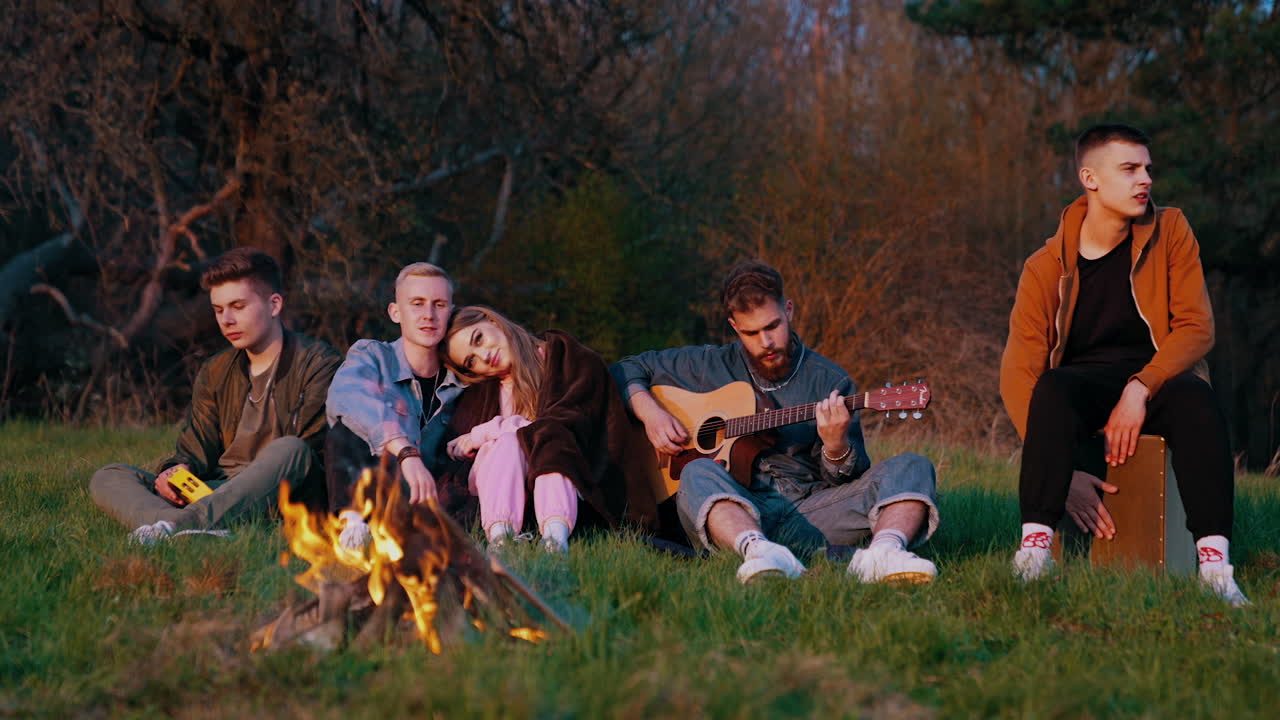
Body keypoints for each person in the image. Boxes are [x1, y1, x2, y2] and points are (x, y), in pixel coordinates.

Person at [1000, 123, 1248, 606]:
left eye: (1148, 169)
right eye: (1130, 169)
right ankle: (1033, 554)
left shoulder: (1171, 230)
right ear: (1090, 179)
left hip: (1158, 380)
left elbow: (1197, 327)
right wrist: (1064, 471)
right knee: (1050, 388)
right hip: (1082, 389)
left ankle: (1216, 567)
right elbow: (1017, 373)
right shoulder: (1045, 266)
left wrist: (1140, 387)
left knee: (1199, 399)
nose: (1146, 180)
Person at [612, 261, 940, 584]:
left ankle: (882, 555)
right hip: (731, 511)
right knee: (696, 472)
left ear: (789, 311)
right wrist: (651, 413)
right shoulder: (706, 365)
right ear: (734, 327)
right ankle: (759, 552)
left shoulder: (829, 380)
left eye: (772, 327)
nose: (765, 342)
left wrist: (836, 446)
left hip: (809, 512)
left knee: (913, 466)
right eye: (751, 333)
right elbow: (625, 368)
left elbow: (850, 480)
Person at [90, 248, 341, 544]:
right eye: (219, 309)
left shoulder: (320, 363)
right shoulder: (216, 370)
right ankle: (196, 527)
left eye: (238, 306)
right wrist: (175, 471)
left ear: (274, 305)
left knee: (291, 449)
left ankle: (171, 526)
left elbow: (307, 455)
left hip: (281, 495)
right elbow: (196, 449)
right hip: (214, 492)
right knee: (110, 475)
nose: (227, 320)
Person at [440, 306, 660, 552]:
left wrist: (486, 431)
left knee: (551, 438)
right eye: (471, 361)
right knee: (508, 443)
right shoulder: (482, 396)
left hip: (574, 485)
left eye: (479, 339)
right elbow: (461, 466)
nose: (483, 356)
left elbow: (571, 423)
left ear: (492, 320)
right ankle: (501, 541)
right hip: (506, 495)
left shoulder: (570, 360)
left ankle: (555, 542)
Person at [323, 262, 466, 550]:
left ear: (451, 311)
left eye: (439, 304)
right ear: (395, 312)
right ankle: (353, 526)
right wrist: (404, 450)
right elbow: (346, 397)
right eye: (417, 304)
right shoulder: (373, 355)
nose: (429, 315)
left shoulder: (462, 375)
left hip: (435, 494)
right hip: (379, 484)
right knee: (346, 428)